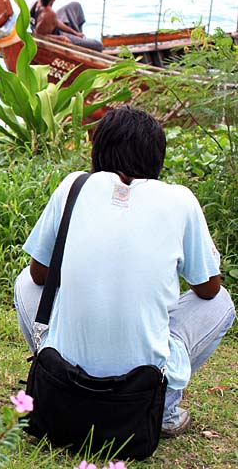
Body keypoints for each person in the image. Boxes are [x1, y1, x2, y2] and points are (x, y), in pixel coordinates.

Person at [14, 106, 235, 437]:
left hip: (66, 378)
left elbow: (38, 276)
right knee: (222, 303)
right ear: (157, 157)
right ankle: (164, 409)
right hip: (140, 387)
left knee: (24, 283)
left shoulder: (74, 186)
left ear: (98, 150)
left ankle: (54, 378)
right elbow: (209, 289)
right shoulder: (180, 200)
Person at [30, 0, 103, 52]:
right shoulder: (48, 14)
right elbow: (39, 36)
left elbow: (56, 22)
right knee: (98, 45)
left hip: (54, 29)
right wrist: (61, 38)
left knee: (75, 5)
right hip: (58, 37)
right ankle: (81, 40)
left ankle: (78, 35)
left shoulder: (36, 3)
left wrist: (75, 33)